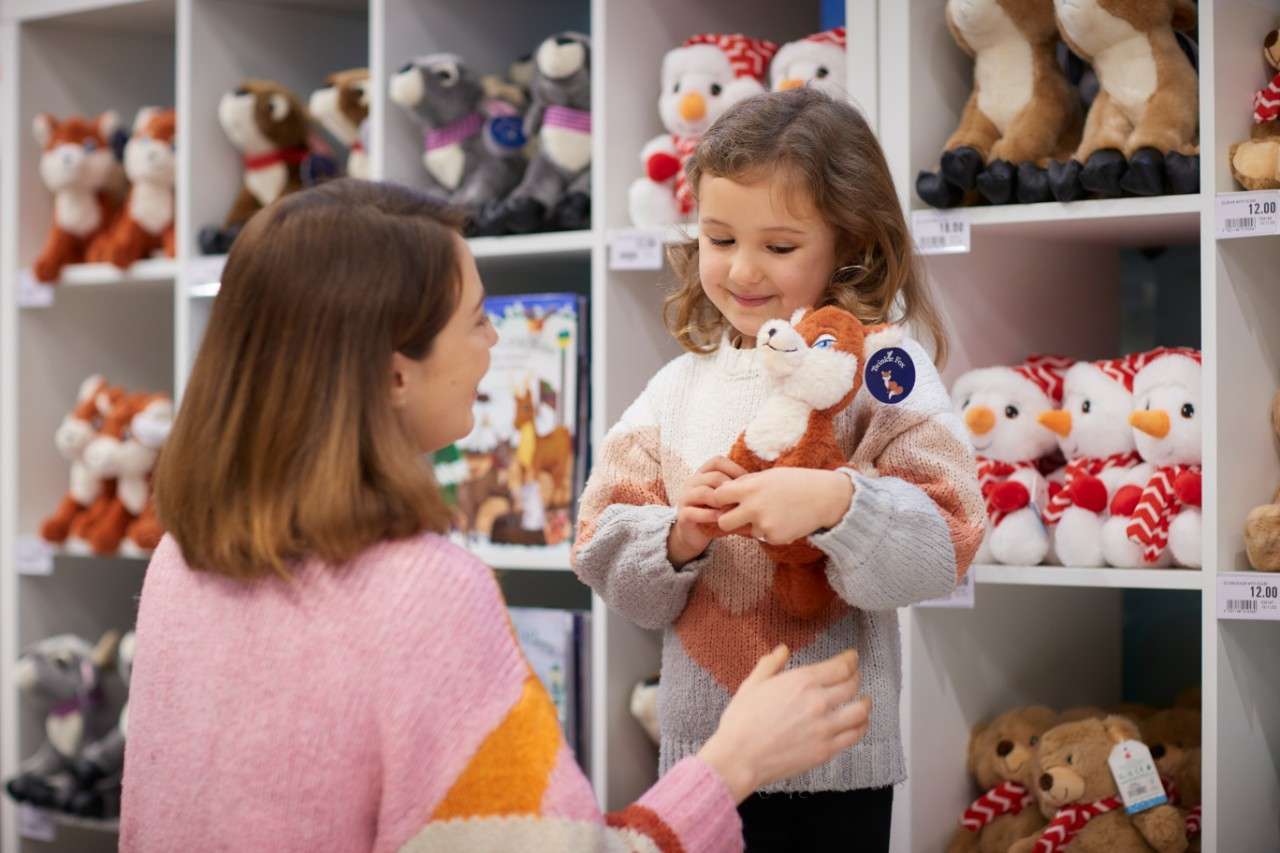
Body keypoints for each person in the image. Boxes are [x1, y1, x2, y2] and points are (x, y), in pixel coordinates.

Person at [119, 178, 872, 853]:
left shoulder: (180, 561)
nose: (495, 343)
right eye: (477, 319)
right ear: (393, 373)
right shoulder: (422, 592)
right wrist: (734, 761)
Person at [572, 87, 986, 853]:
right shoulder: (680, 383)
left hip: (839, 766)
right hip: (703, 765)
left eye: (781, 246)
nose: (742, 270)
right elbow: (600, 542)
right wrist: (679, 536)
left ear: (851, 241)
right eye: (720, 239)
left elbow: (948, 535)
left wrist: (838, 503)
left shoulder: (883, 365)